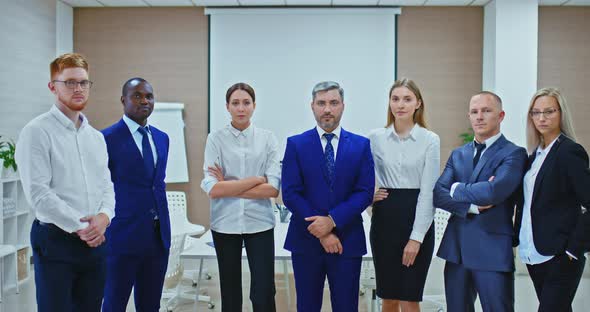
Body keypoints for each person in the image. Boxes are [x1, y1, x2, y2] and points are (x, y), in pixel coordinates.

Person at [15, 53, 115, 312]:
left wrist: (104, 217)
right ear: (52, 86)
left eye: (83, 82)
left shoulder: (96, 137)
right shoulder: (36, 132)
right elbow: (39, 195)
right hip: (56, 241)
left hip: (96, 242)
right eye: (69, 82)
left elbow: (107, 185)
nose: (78, 88)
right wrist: (83, 227)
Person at [282, 81, 375, 312]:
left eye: (333, 103)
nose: (327, 109)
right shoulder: (296, 144)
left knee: (346, 306)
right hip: (306, 240)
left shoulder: (361, 145)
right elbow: (291, 193)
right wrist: (321, 230)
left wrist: (331, 221)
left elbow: (364, 192)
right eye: (321, 103)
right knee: (307, 306)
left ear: (343, 106)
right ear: (312, 106)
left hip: (347, 240)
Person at [433, 91, 527, 312]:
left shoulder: (514, 153)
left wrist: (455, 188)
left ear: (501, 115)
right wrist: (472, 204)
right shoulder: (458, 154)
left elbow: (493, 192)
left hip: (492, 250)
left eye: (486, 111)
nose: (479, 117)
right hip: (456, 251)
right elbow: (438, 193)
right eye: (474, 112)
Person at [200, 82, 280, 312]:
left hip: (260, 223)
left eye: (246, 103)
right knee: (230, 292)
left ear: (254, 106)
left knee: (264, 291)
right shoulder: (215, 139)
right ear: (227, 106)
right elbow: (213, 189)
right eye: (235, 103)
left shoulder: (268, 139)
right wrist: (257, 180)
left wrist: (229, 184)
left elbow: (273, 189)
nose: (241, 108)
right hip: (224, 224)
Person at [514, 88, 590, 312]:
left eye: (549, 111)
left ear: (561, 113)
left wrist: (574, 250)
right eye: (536, 112)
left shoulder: (569, 152)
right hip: (533, 253)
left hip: (560, 255)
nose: (542, 118)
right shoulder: (533, 156)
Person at [367, 78, 439, 312]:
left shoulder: (430, 139)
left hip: (417, 216)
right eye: (395, 99)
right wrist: (369, 196)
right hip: (385, 219)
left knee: (409, 297)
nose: (400, 104)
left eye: (407, 99)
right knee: (388, 296)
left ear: (418, 103)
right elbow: (360, 176)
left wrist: (416, 238)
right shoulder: (375, 138)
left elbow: (428, 192)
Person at [101, 78, 171, 312]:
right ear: (123, 100)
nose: (144, 101)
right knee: (114, 303)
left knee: (151, 305)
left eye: (149, 96)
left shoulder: (162, 138)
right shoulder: (106, 139)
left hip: (157, 237)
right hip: (121, 236)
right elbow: (101, 187)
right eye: (137, 96)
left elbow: (156, 184)